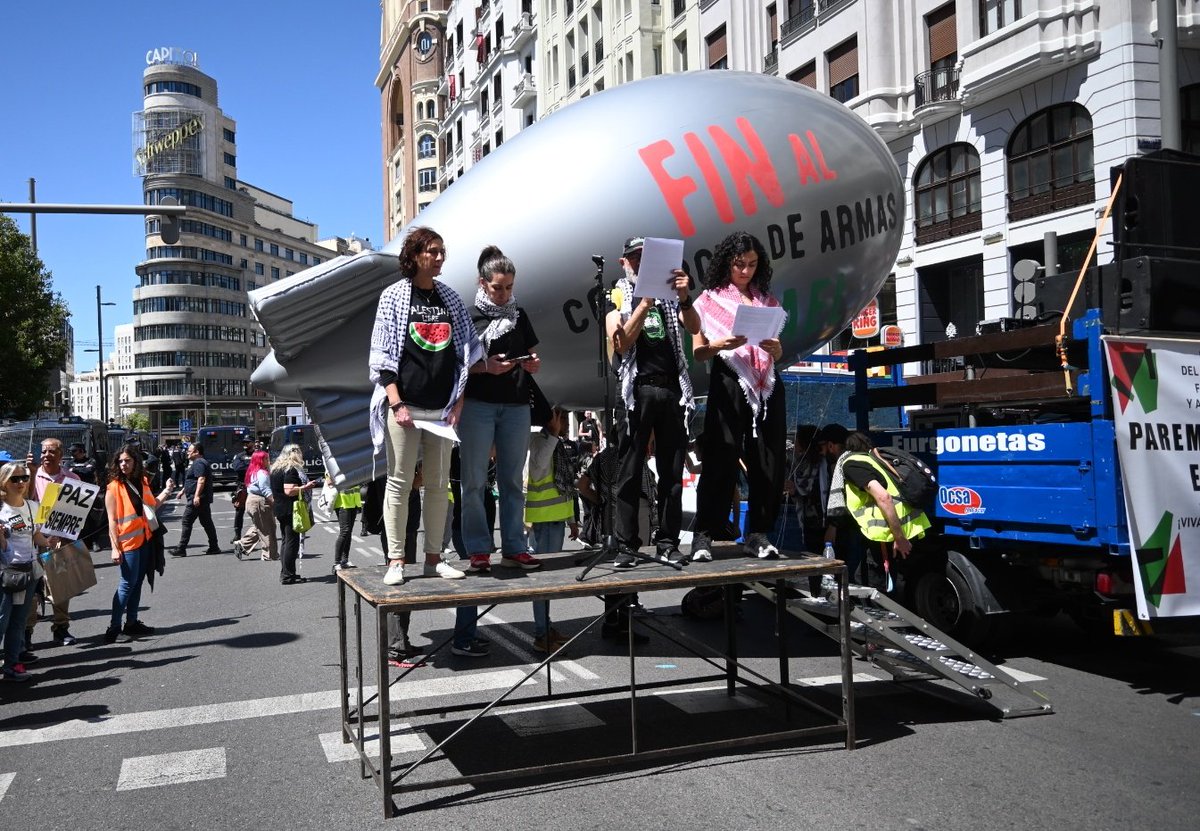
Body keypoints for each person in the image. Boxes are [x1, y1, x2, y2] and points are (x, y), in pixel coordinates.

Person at [368, 225, 477, 587]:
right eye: (433, 251)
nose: (440, 257)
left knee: (438, 484)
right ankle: (396, 559)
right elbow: (383, 356)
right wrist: (396, 403)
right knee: (399, 483)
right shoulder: (394, 296)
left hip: (442, 410)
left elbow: (465, 353)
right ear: (414, 256)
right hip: (405, 406)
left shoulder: (450, 298)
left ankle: (434, 557)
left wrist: (458, 401)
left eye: (442, 251)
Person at [689, 231, 788, 561]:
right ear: (726, 264)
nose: (745, 271)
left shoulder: (767, 301)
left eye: (752, 265)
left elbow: (776, 346)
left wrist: (777, 348)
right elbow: (700, 352)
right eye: (739, 265)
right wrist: (722, 344)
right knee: (722, 454)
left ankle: (758, 533)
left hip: (766, 381)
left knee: (768, 458)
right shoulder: (708, 300)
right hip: (730, 376)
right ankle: (705, 533)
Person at [605, 235, 701, 566]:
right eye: (634, 259)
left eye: (647, 258)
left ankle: (668, 542)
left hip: (672, 388)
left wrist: (685, 297)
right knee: (630, 472)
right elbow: (621, 343)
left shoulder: (673, 294)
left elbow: (695, 327)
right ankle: (627, 545)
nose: (641, 264)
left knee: (672, 473)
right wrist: (644, 303)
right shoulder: (618, 294)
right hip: (636, 390)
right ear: (624, 263)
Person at [459, 245, 543, 574]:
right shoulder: (468, 315)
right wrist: (484, 368)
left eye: (509, 287)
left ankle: (514, 547)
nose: (504, 293)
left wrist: (533, 364)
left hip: (516, 405)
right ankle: (479, 550)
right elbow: (456, 365)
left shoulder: (519, 315)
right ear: (482, 284)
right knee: (474, 481)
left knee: (511, 481)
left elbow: (533, 354)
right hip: (477, 405)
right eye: (498, 287)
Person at [827, 431, 931, 585]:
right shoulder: (873, 461)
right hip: (905, 528)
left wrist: (899, 537)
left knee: (877, 585)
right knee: (891, 581)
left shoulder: (852, 464)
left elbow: (884, 497)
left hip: (889, 535)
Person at [104, 445, 174, 643]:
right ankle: (114, 626)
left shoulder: (142, 481)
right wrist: (115, 549)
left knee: (136, 584)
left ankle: (132, 622)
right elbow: (111, 521)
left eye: (128, 460)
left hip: (145, 540)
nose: (124, 464)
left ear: (135, 462)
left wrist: (167, 491)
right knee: (127, 584)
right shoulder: (113, 487)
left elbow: (151, 507)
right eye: (121, 461)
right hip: (128, 543)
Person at [525, 406, 579, 653]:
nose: (565, 421)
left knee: (550, 582)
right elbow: (537, 471)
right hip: (544, 521)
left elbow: (566, 484)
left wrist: (571, 519)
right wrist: (554, 435)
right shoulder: (539, 440)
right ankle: (540, 634)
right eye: (561, 417)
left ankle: (545, 628)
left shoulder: (560, 444)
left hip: (556, 520)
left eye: (566, 418)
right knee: (542, 583)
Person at [27, 438, 82, 648]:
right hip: (33, 541)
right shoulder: (29, 476)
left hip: (60, 541)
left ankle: (61, 628)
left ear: (60, 454)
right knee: (31, 591)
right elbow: (22, 503)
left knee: (60, 589)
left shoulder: (72, 478)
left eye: (51, 451)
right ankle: (26, 634)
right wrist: (31, 474)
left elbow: (76, 513)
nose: (46, 455)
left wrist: (61, 535)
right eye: (44, 451)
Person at [0, 461, 50, 681]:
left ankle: (12, 666)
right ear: (3, 482)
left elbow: (35, 536)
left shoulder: (33, 507)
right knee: (1, 621)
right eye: (15, 479)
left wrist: (49, 542)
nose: (21, 483)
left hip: (29, 572)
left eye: (25, 478)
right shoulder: (1, 510)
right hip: (5, 573)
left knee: (18, 622)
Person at [270, 444, 315, 585]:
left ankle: (286, 572)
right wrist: (305, 487)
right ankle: (288, 575)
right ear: (294, 453)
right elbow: (289, 491)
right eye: (299, 452)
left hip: (281, 508)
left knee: (285, 541)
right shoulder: (290, 469)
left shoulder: (277, 468)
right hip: (290, 508)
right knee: (291, 542)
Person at [170, 443, 222, 557]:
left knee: (186, 521)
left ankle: (181, 548)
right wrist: (183, 490)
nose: (187, 452)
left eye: (190, 451)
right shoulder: (199, 462)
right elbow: (193, 479)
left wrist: (197, 496)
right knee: (207, 522)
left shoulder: (199, 462)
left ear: (197, 452)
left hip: (197, 499)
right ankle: (214, 546)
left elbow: (201, 479)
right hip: (201, 498)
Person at [234, 450, 276, 562]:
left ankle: (242, 545)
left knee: (259, 526)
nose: (268, 461)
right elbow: (265, 489)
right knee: (267, 528)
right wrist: (273, 501)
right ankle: (269, 554)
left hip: (252, 500)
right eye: (266, 459)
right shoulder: (262, 473)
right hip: (259, 501)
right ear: (260, 460)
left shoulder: (252, 471)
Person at [66, 441, 104, 553]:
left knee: (92, 519)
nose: (72, 453)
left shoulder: (91, 461)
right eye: (71, 451)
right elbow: (68, 472)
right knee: (76, 519)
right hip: (75, 494)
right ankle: (79, 542)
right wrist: (79, 470)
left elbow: (89, 471)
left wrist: (75, 470)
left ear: (82, 451)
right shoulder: (69, 462)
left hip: (89, 493)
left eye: (74, 451)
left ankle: (95, 542)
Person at [329, 478, 362, 573]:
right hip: (342, 503)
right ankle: (336, 563)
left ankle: (344, 560)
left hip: (353, 501)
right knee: (345, 531)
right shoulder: (333, 465)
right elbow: (329, 482)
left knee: (349, 532)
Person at [230, 438, 254, 543]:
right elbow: (237, 467)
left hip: (255, 487)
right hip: (242, 487)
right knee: (239, 511)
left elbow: (263, 468)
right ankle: (237, 534)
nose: (245, 444)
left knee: (256, 511)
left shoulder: (258, 454)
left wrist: (246, 466)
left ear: (252, 443)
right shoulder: (239, 456)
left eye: (247, 442)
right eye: (243, 442)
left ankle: (257, 533)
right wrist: (252, 466)